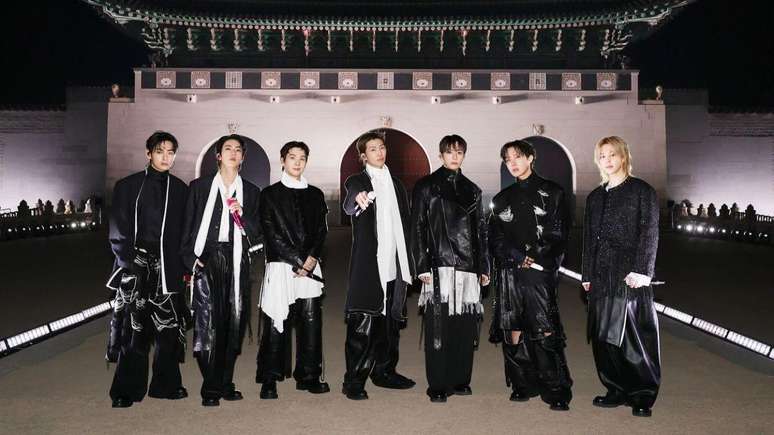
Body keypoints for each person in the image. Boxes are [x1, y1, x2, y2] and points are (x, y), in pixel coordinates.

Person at [106, 131, 189, 408]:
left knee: (169, 329)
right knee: (134, 329)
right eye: (160, 151)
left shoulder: (180, 189)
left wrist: (184, 265)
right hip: (136, 265)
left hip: (168, 267)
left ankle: (167, 385)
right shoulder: (128, 186)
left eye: (170, 152)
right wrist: (128, 262)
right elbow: (117, 229)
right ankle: (126, 390)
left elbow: (185, 232)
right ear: (148, 153)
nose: (165, 157)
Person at [488, 139, 573, 411]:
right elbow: (494, 237)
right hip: (510, 271)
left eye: (517, 157)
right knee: (513, 327)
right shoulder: (502, 199)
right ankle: (522, 384)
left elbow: (559, 232)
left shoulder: (554, 192)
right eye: (507, 159)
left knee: (544, 325)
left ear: (530, 158)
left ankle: (555, 388)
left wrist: (536, 256)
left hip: (539, 271)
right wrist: (515, 256)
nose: (512, 163)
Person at [180, 134, 263, 407]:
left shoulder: (251, 191)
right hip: (207, 258)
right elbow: (187, 227)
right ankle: (211, 386)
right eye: (227, 148)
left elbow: (258, 234)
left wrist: (244, 216)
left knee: (233, 323)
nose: (233, 153)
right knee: (207, 324)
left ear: (243, 157)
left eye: (238, 149)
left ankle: (225, 382)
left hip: (237, 259)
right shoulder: (200, 187)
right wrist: (191, 260)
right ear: (218, 155)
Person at [581, 136, 660, 417]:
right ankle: (615, 388)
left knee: (632, 337)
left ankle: (641, 394)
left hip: (630, 275)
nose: (608, 160)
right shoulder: (595, 197)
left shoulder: (642, 191)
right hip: (601, 276)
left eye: (612, 154)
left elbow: (649, 232)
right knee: (603, 337)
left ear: (624, 156)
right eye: (602, 156)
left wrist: (643, 271)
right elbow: (589, 238)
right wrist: (587, 274)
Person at [410, 134, 489, 403]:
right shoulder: (426, 186)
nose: (455, 156)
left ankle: (460, 379)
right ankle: (438, 384)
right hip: (438, 265)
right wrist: (421, 265)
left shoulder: (473, 189)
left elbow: (480, 231)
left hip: (468, 268)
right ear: (440, 154)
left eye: (459, 152)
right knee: (438, 327)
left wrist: (484, 267)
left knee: (464, 327)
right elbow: (417, 227)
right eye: (449, 152)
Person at [341, 130, 415, 400]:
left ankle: (384, 372)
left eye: (381, 147)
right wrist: (357, 199)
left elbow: (405, 222)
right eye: (372, 149)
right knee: (362, 324)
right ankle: (353, 380)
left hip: (395, 262)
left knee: (390, 324)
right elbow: (350, 202)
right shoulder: (357, 181)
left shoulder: (396, 185)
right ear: (363, 156)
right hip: (369, 265)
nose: (379, 152)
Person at [255, 141, 330, 399]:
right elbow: (270, 232)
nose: (297, 162)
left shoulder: (316, 194)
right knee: (276, 321)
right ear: (282, 160)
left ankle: (308, 376)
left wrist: (311, 259)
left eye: (302, 158)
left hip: (310, 266)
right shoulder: (269, 194)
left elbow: (321, 230)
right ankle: (270, 378)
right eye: (292, 157)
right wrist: (298, 260)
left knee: (311, 322)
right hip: (281, 265)